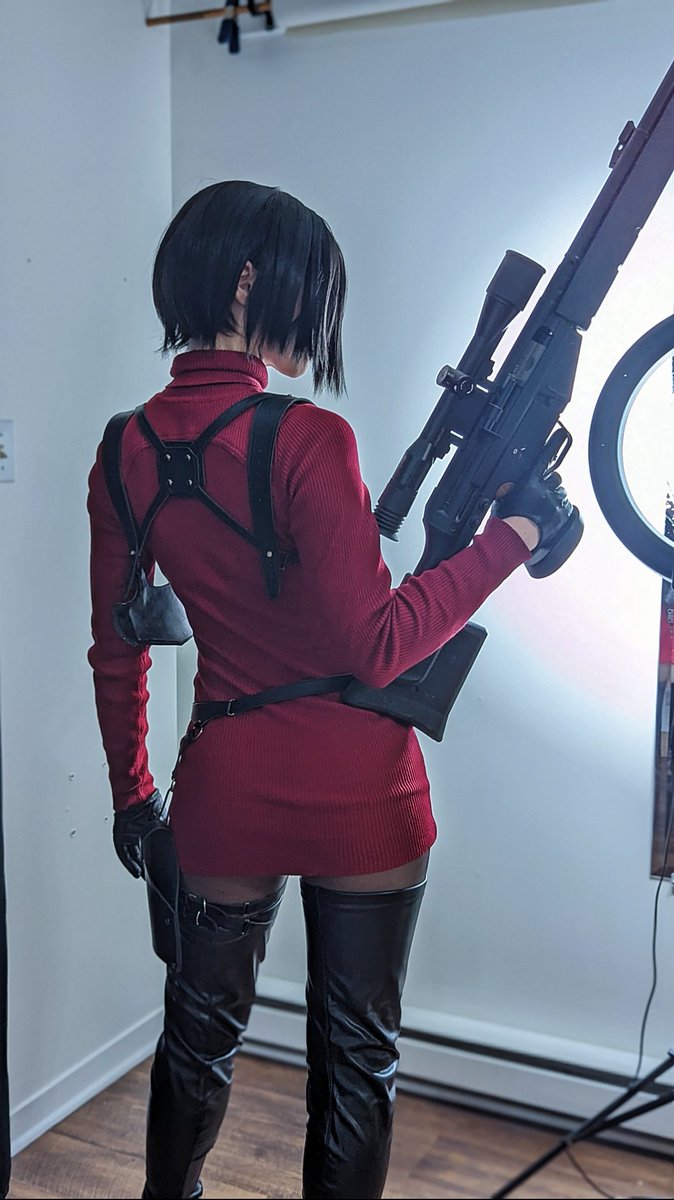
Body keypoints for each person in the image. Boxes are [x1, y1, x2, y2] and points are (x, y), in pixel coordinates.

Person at [87, 181, 575, 1200]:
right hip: (361, 791)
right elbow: (379, 645)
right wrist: (514, 538)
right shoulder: (310, 438)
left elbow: (118, 647)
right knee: (356, 1058)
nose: (317, 319)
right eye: (309, 290)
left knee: (196, 1037)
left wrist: (133, 797)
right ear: (248, 282)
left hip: (225, 781)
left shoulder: (124, 451)